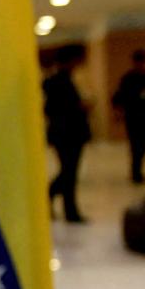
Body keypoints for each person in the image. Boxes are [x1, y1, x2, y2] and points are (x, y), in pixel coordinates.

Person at [42, 52, 92, 222]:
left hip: (66, 133)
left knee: (68, 172)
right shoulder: (59, 82)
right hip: (67, 134)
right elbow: (56, 108)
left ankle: (68, 208)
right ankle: (61, 204)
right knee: (69, 173)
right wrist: (79, 107)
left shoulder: (60, 81)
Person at [111, 50, 145, 184]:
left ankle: (138, 167)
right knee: (135, 143)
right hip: (132, 116)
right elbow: (119, 96)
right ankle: (136, 170)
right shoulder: (128, 79)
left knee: (144, 143)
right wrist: (118, 111)